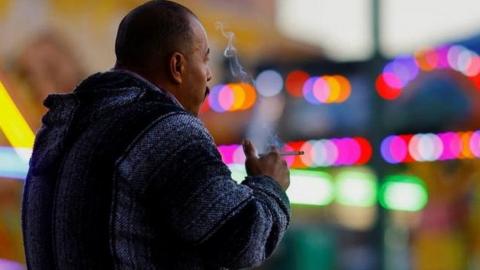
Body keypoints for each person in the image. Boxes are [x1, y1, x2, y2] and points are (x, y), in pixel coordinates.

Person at [22, 1, 291, 269]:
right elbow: (241, 239)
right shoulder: (167, 131)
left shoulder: (59, 127)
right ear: (177, 66)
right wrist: (270, 185)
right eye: (205, 59)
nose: (209, 75)